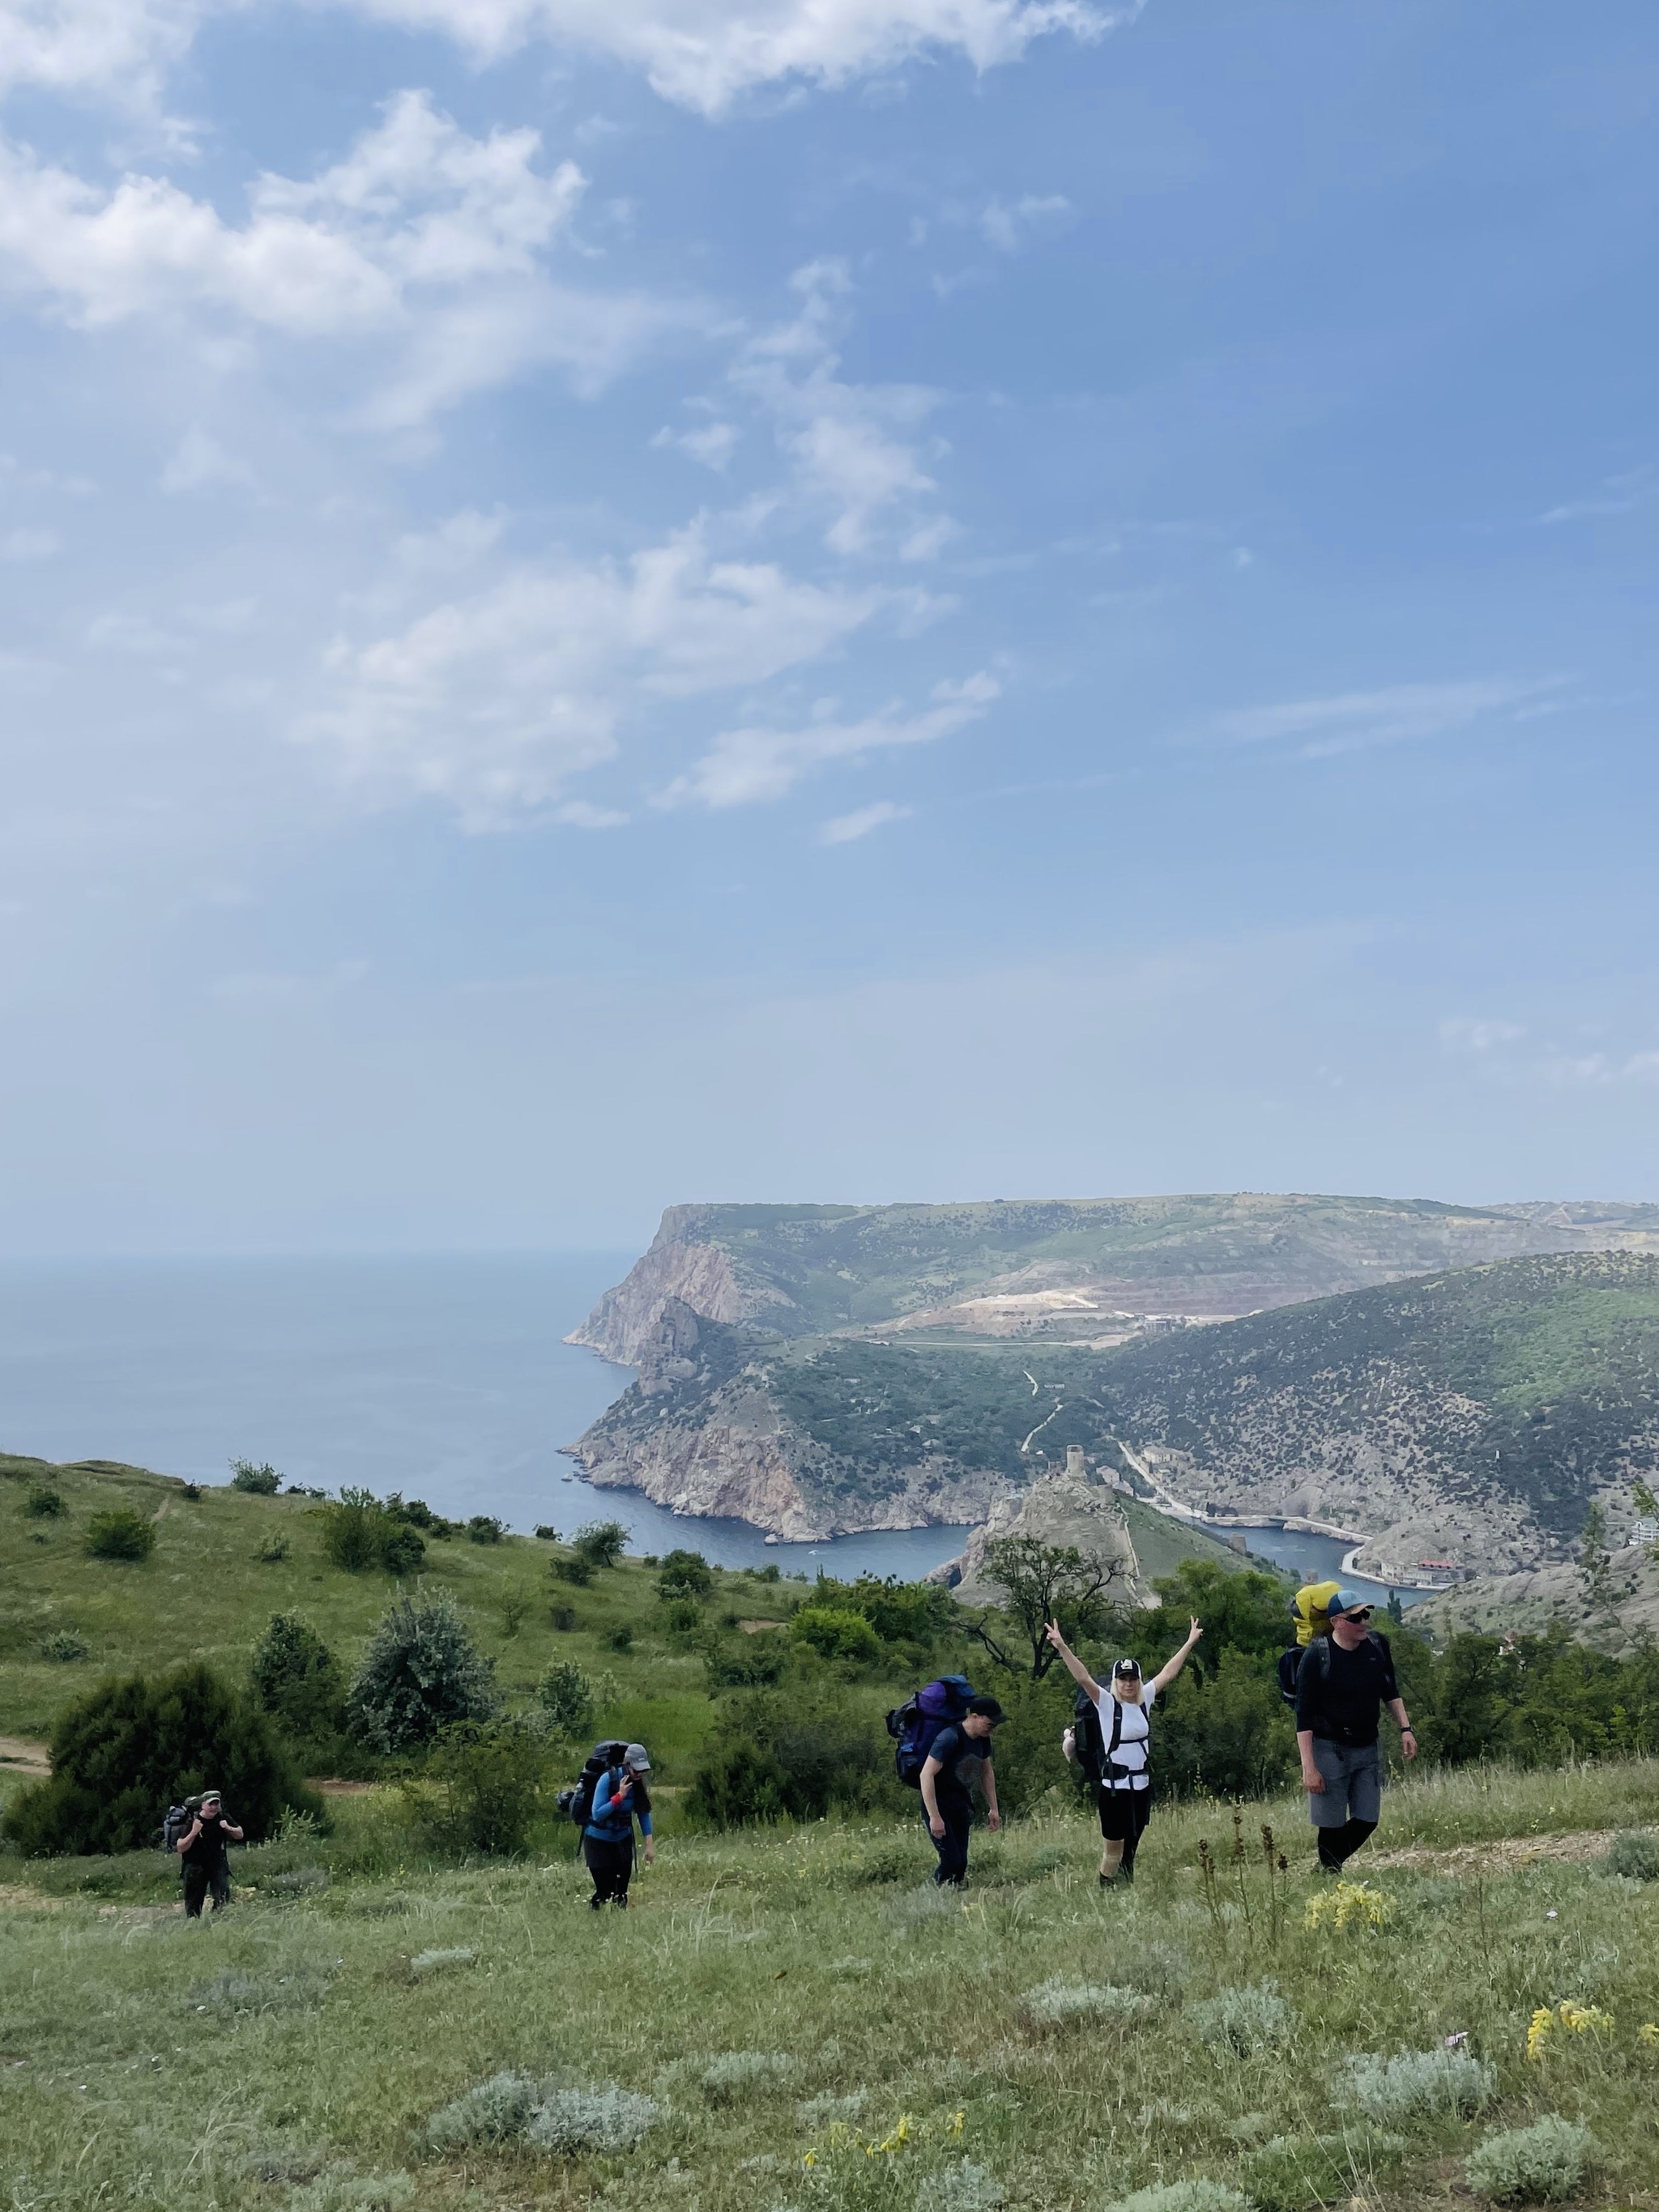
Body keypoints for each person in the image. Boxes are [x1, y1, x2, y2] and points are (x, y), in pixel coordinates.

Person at [1045, 1615, 1202, 1885]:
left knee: (1133, 1843)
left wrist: (1189, 1642)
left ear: (1139, 1680)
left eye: (1132, 1678)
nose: (1128, 1683)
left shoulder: (1145, 1700)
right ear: (1116, 1681)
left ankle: (1127, 1886)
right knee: (1114, 1850)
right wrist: (1061, 1647)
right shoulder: (1106, 1704)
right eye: (1123, 1678)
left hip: (1140, 1787)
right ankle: (1106, 1889)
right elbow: (1083, 1678)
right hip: (1114, 1788)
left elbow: (1169, 1672)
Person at [1294, 1587, 1417, 1873]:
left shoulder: (1377, 1645)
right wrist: (1308, 1767)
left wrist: (1406, 1728)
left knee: (1367, 1819)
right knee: (1331, 1820)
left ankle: (1328, 1865)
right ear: (1337, 1622)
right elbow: (1304, 1716)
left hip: (1366, 1745)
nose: (1364, 1622)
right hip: (1328, 1747)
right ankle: (1329, 1874)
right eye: (1356, 1618)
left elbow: (1390, 1690)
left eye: (1366, 1615)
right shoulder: (1317, 1656)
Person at [919, 1694, 1004, 1886]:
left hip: (961, 1801)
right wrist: (934, 1816)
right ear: (974, 1716)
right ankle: (931, 1894)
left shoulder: (983, 1740)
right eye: (990, 1724)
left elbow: (986, 1771)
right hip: (939, 1802)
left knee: (961, 1863)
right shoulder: (949, 1737)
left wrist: (994, 1808)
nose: (992, 1730)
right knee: (951, 1861)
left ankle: (953, 1899)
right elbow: (926, 1775)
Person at [582, 1741, 655, 1909]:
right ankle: (594, 1919)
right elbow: (598, 1813)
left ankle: (620, 1927)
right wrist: (618, 1798)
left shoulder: (639, 1785)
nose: (639, 1774)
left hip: (622, 1840)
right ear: (627, 1763)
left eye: (642, 1770)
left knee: (621, 1893)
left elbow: (643, 1814)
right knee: (605, 1890)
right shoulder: (607, 1779)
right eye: (636, 1769)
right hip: (597, 1841)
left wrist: (649, 1846)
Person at [177, 1788, 243, 1916]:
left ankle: (218, 1919)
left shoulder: (223, 1817)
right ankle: (193, 1925)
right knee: (194, 1902)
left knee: (223, 1895)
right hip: (195, 1865)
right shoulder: (194, 1821)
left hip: (217, 1863)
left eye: (216, 1804)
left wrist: (228, 1828)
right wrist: (194, 1832)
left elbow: (240, 1834)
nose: (214, 1807)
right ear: (203, 1805)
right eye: (210, 1804)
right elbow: (180, 1847)